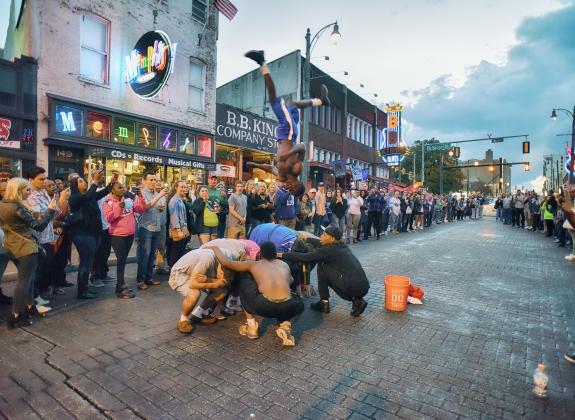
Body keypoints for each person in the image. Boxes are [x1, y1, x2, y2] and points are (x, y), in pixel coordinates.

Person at [244, 50, 328, 196]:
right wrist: (288, 153)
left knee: (292, 104)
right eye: (294, 187)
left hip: (282, 134)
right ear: (299, 183)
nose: (289, 187)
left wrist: (255, 164)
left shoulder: (282, 176)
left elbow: (270, 168)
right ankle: (261, 62)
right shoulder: (296, 170)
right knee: (274, 100)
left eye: (290, 190)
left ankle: (320, 101)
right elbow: (302, 147)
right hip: (288, 133)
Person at [207, 241, 304, 346]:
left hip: (265, 306)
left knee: (243, 279)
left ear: (261, 254)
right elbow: (291, 281)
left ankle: (251, 326)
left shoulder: (253, 264)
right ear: (275, 254)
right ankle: (285, 324)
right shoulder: (284, 264)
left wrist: (215, 248)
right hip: (290, 306)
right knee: (286, 296)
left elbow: (226, 263)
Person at [0, 178, 58, 328]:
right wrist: (51, 209)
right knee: (24, 281)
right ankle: (16, 315)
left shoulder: (3, 205)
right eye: (27, 189)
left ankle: (29, 306)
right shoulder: (18, 208)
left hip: (11, 246)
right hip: (25, 247)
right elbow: (39, 226)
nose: (29, 192)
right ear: (18, 190)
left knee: (28, 279)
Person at [281, 225, 369, 317]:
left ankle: (324, 303)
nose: (321, 236)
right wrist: (307, 239)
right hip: (363, 287)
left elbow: (304, 257)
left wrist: (282, 255)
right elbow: (320, 242)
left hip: (352, 288)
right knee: (327, 267)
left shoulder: (327, 251)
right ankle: (358, 301)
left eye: (325, 235)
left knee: (322, 266)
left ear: (332, 239)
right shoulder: (341, 246)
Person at [68, 170, 117, 299]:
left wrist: (112, 183)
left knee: (88, 262)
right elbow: (89, 195)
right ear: (74, 186)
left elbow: (103, 192)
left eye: (83, 180)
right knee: (85, 262)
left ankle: (85, 287)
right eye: (79, 181)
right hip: (82, 234)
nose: (83, 182)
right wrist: (94, 181)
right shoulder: (74, 198)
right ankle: (82, 291)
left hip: (93, 233)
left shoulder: (89, 196)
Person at [169, 248, 232, 334]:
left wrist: (212, 280)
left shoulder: (225, 259)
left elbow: (224, 282)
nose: (223, 277)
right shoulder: (208, 259)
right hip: (180, 273)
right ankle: (183, 319)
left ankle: (197, 314)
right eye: (222, 274)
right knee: (194, 293)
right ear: (221, 267)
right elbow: (192, 284)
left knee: (222, 290)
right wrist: (215, 284)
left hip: (195, 273)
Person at [103, 181, 146, 298]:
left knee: (123, 260)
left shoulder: (128, 199)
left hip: (130, 234)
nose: (122, 189)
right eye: (119, 187)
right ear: (113, 190)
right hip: (117, 235)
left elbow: (140, 209)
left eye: (123, 187)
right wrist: (118, 207)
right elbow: (109, 218)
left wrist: (141, 197)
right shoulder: (108, 202)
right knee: (121, 260)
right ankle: (120, 288)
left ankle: (121, 285)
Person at [136, 172, 168, 291]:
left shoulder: (157, 193)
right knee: (144, 255)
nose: (154, 182)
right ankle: (140, 280)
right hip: (146, 227)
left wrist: (161, 207)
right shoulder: (141, 193)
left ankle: (149, 277)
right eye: (151, 180)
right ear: (144, 181)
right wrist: (159, 195)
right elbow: (145, 207)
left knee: (152, 255)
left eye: (155, 180)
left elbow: (160, 208)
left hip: (157, 227)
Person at [167, 180, 191, 267]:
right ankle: (173, 273)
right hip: (177, 230)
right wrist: (179, 231)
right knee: (175, 253)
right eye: (182, 187)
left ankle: (176, 272)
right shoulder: (174, 200)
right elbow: (174, 218)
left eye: (185, 187)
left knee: (180, 253)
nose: (184, 189)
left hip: (183, 229)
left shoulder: (181, 200)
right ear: (176, 187)